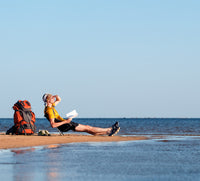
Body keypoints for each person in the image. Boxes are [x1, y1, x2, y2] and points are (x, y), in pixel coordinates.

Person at [42, 94, 120, 136]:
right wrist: (66, 121)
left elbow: (59, 99)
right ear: (48, 101)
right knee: (88, 127)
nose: (53, 99)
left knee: (87, 129)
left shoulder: (51, 107)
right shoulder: (49, 110)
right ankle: (109, 129)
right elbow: (53, 125)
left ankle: (107, 132)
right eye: (51, 98)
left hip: (65, 124)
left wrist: (55, 96)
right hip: (65, 125)